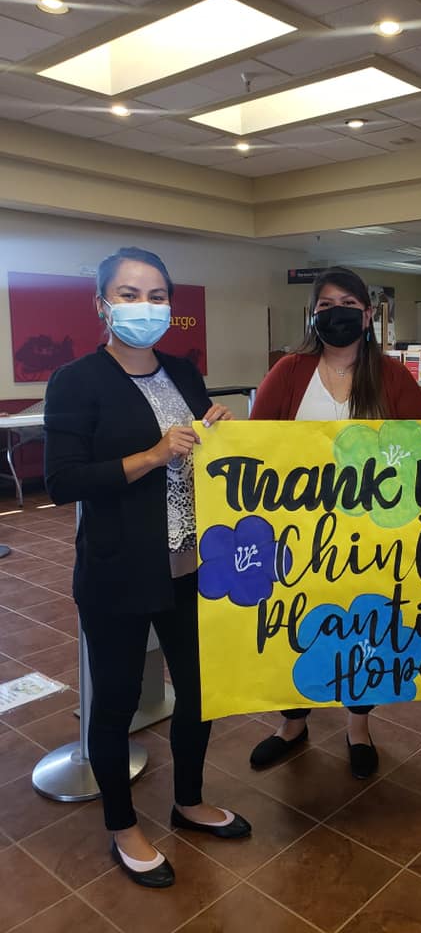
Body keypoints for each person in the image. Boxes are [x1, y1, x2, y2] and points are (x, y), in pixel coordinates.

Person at [44, 247, 252, 889]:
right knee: (116, 701)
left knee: (200, 690)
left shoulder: (182, 373)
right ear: (101, 305)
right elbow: (63, 481)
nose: (145, 306)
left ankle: (189, 800)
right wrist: (153, 455)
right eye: (129, 294)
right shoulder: (77, 380)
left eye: (157, 295)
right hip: (118, 572)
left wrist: (217, 432)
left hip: (192, 565)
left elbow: (198, 453)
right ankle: (122, 824)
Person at [248, 266, 421, 779]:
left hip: (371, 534)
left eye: (348, 305)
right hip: (297, 531)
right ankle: (292, 722)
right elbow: (256, 443)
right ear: (313, 315)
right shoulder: (289, 371)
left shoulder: (392, 377)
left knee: (363, 624)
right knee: (293, 621)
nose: (337, 314)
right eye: (326, 306)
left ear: (368, 315)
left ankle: (358, 724)